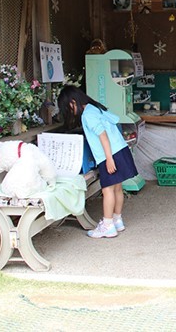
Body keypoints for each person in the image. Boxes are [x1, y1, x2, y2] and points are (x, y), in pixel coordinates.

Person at [57, 86, 138, 238]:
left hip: (110, 154)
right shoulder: (95, 108)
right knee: (117, 188)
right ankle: (117, 220)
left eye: (67, 107)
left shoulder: (88, 115)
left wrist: (108, 159)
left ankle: (107, 226)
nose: (69, 112)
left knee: (107, 191)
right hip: (120, 149)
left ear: (73, 102)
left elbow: (103, 136)